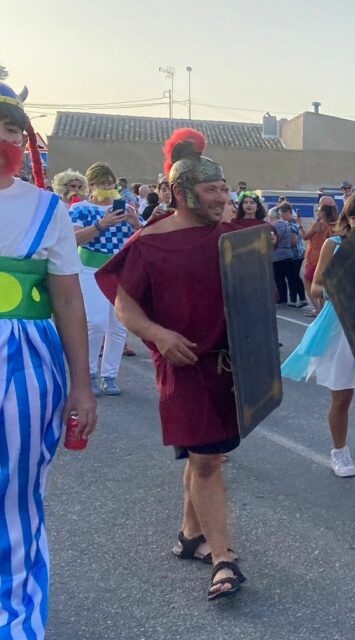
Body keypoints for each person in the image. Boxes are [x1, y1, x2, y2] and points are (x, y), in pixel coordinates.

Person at [96, 128, 250, 600]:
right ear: (182, 193)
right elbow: (125, 306)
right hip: (183, 364)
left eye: (224, 189)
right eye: (211, 190)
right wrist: (158, 334)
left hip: (229, 367)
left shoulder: (234, 237)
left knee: (208, 455)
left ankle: (189, 535)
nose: (222, 198)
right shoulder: (150, 243)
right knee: (205, 459)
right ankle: (224, 560)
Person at [1, 81, 98, 639]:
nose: (4, 136)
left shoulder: (47, 208)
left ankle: (14, 624)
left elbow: (67, 298)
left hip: (26, 361)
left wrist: (82, 386)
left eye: (14, 127)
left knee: (16, 496)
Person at [281, 192, 355, 479]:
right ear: (347, 219)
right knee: (341, 398)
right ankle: (339, 452)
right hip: (340, 329)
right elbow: (316, 286)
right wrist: (338, 291)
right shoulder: (335, 244)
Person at [69, 162, 141, 397]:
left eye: (110, 182)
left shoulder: (128, 208)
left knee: (118, 327)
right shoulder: (80, 208)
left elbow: (142, 239)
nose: (107, 187)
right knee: (96, 323)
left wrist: (135, 223)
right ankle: (88, 373)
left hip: (120, 270)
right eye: (101, 183)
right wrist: (102, 224)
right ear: (91, 186)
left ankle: (109, 376)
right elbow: (74, 239)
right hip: (90, 269)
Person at [302, 197, 337, 316]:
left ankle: (318, 308)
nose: (317, 211)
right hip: (328, 255)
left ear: (323, 212)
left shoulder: (317, 225)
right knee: (322, 283)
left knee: (308, 281)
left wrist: (300, 226)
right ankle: (322, 309)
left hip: (314, 255)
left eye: (319, 210)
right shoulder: (334, 225)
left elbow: (305, 237)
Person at [271, 203, 306, 307]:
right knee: (295, 277)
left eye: (282, 214)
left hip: (295, 254)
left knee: (292, 278)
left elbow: (294, 241)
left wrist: (285, 246)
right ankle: (302, 299)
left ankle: (294, 299)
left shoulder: (290, 224)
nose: (281, 216)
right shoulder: (291, 223)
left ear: (287, 212)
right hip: (296, 254)